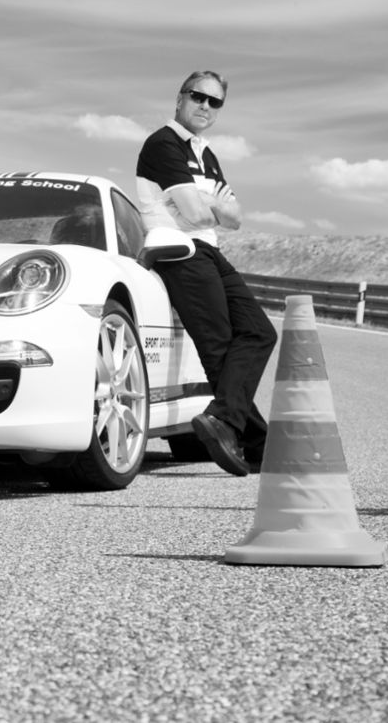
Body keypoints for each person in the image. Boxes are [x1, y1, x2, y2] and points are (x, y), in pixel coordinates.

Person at [135, 70, 277, 476]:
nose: (206, 107)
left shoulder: (206, 154)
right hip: (179, 251)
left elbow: (235, 218)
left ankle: (232, 426)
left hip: (210, 250)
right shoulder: (163, 144)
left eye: (215, 102)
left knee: (259, 331)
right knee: (217, 347)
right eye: (199, 97)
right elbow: (200, 213)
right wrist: (209, 202)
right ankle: (257, 444)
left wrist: (208, 204)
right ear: (180, 98)